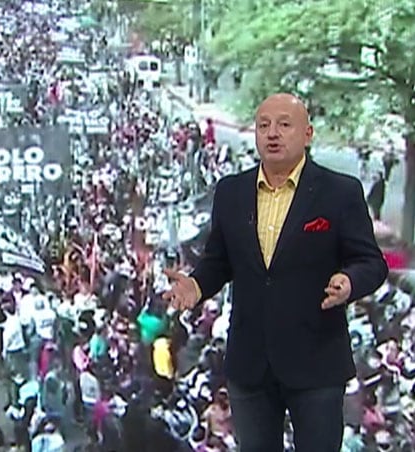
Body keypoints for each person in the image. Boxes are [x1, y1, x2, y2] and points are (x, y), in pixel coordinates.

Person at [162, 93, 388, 451]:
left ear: (308, 133)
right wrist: (197, 284)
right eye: (263, 125)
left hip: (317, 362)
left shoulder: (340, 193)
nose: (273, 133)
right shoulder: (231, 192)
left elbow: (372, 263)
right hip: (250, 364)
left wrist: (349, 282)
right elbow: (219, 261)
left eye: (285, 124)